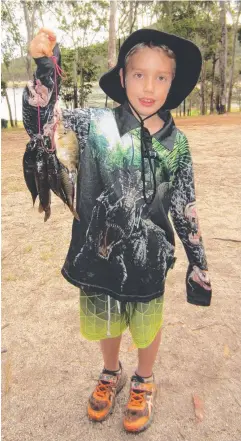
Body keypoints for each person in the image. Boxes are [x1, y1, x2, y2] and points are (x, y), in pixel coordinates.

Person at [22, 28, 212, 433]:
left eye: (161, 77)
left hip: (149, 259)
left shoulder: (176, 144)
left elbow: (184, 205)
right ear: (122, 77)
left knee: (146, 321)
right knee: (106, 319)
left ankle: (144, 378)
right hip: (99, 255)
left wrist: (199, 265)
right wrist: (44, 65)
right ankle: (111, 372)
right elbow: (38, 122)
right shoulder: (92, 124)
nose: (149, 86)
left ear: (172, 83)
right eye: (139, 74)